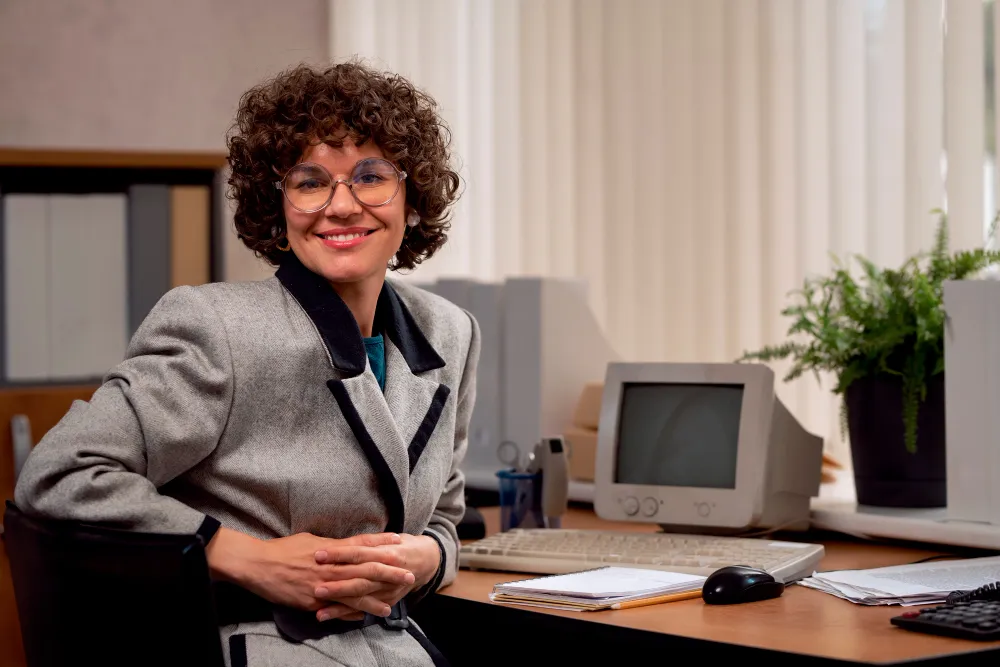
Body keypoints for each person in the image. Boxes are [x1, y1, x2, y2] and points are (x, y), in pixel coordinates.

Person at [14, 60, 479, 667]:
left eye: (371, 176)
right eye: (310, 182)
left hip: (394, 646)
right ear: (279, 208)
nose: (341, 205)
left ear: (412, 198)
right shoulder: (216, 326)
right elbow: (61, 473)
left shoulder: (449, 331)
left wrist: (428, 561)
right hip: (261, 648)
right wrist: (235, 553)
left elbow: (444, 515)